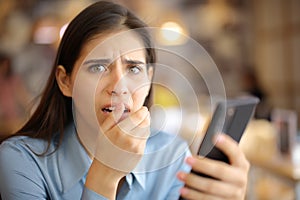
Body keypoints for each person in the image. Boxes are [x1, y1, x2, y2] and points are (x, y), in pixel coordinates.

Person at [0, 1, 249, 200]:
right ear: (65, 81)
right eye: (98, 68)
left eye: (133, 69)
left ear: (149, 79)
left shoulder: (172, 156)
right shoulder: (20, 161)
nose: (119, 86)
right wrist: (104, 176)